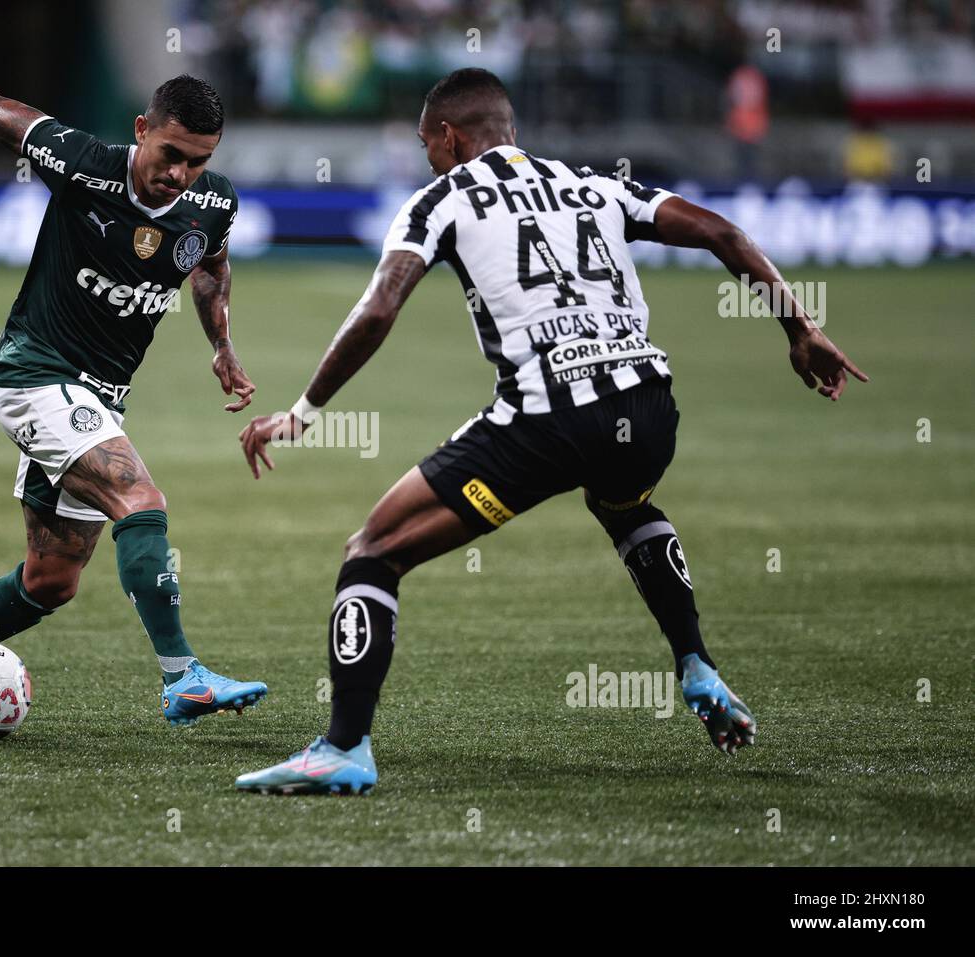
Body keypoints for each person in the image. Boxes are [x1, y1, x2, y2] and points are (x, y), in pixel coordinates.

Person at [233, 68, 868, 794]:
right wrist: (800, 327)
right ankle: (696, 663)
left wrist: (303, 412)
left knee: (372, 551)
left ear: (449, 137)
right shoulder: (594, 184)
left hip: (548, 417)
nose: (426, 160)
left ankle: (343, 746)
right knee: (624, 505)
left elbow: (378, 311)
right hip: (648, 405)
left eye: (427, 145)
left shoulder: (441, 199)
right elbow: (722, 231)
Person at [0, 75, 268, 730]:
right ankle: (182, 677)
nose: (183, 173)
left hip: (99, 401)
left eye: (199, 160)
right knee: (141, 499)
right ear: (141, 130)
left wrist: (222, 344)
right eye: (171, 153)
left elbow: (212, 265)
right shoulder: (83, 165)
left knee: (52, 578)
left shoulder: (213, 202)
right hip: (35, 376)